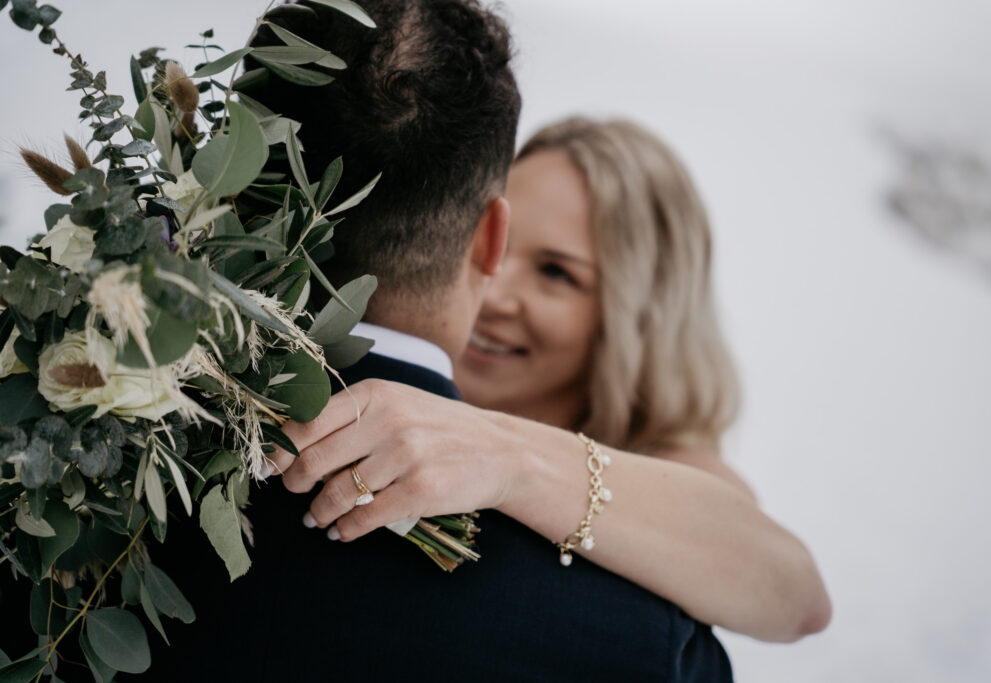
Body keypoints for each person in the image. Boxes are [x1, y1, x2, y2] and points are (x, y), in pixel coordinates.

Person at [152, 2, 734, 682]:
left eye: (557, 272)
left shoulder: (78, 458)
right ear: (493, 236)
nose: (507, 299)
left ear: (236, 186)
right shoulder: (640, 640)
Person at [273, 118, 832, 643]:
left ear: (636, 317)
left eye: (556, 273)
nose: (492, 289)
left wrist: (509, 458)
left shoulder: (675, 467)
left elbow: (797, 597)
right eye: (494, 243)